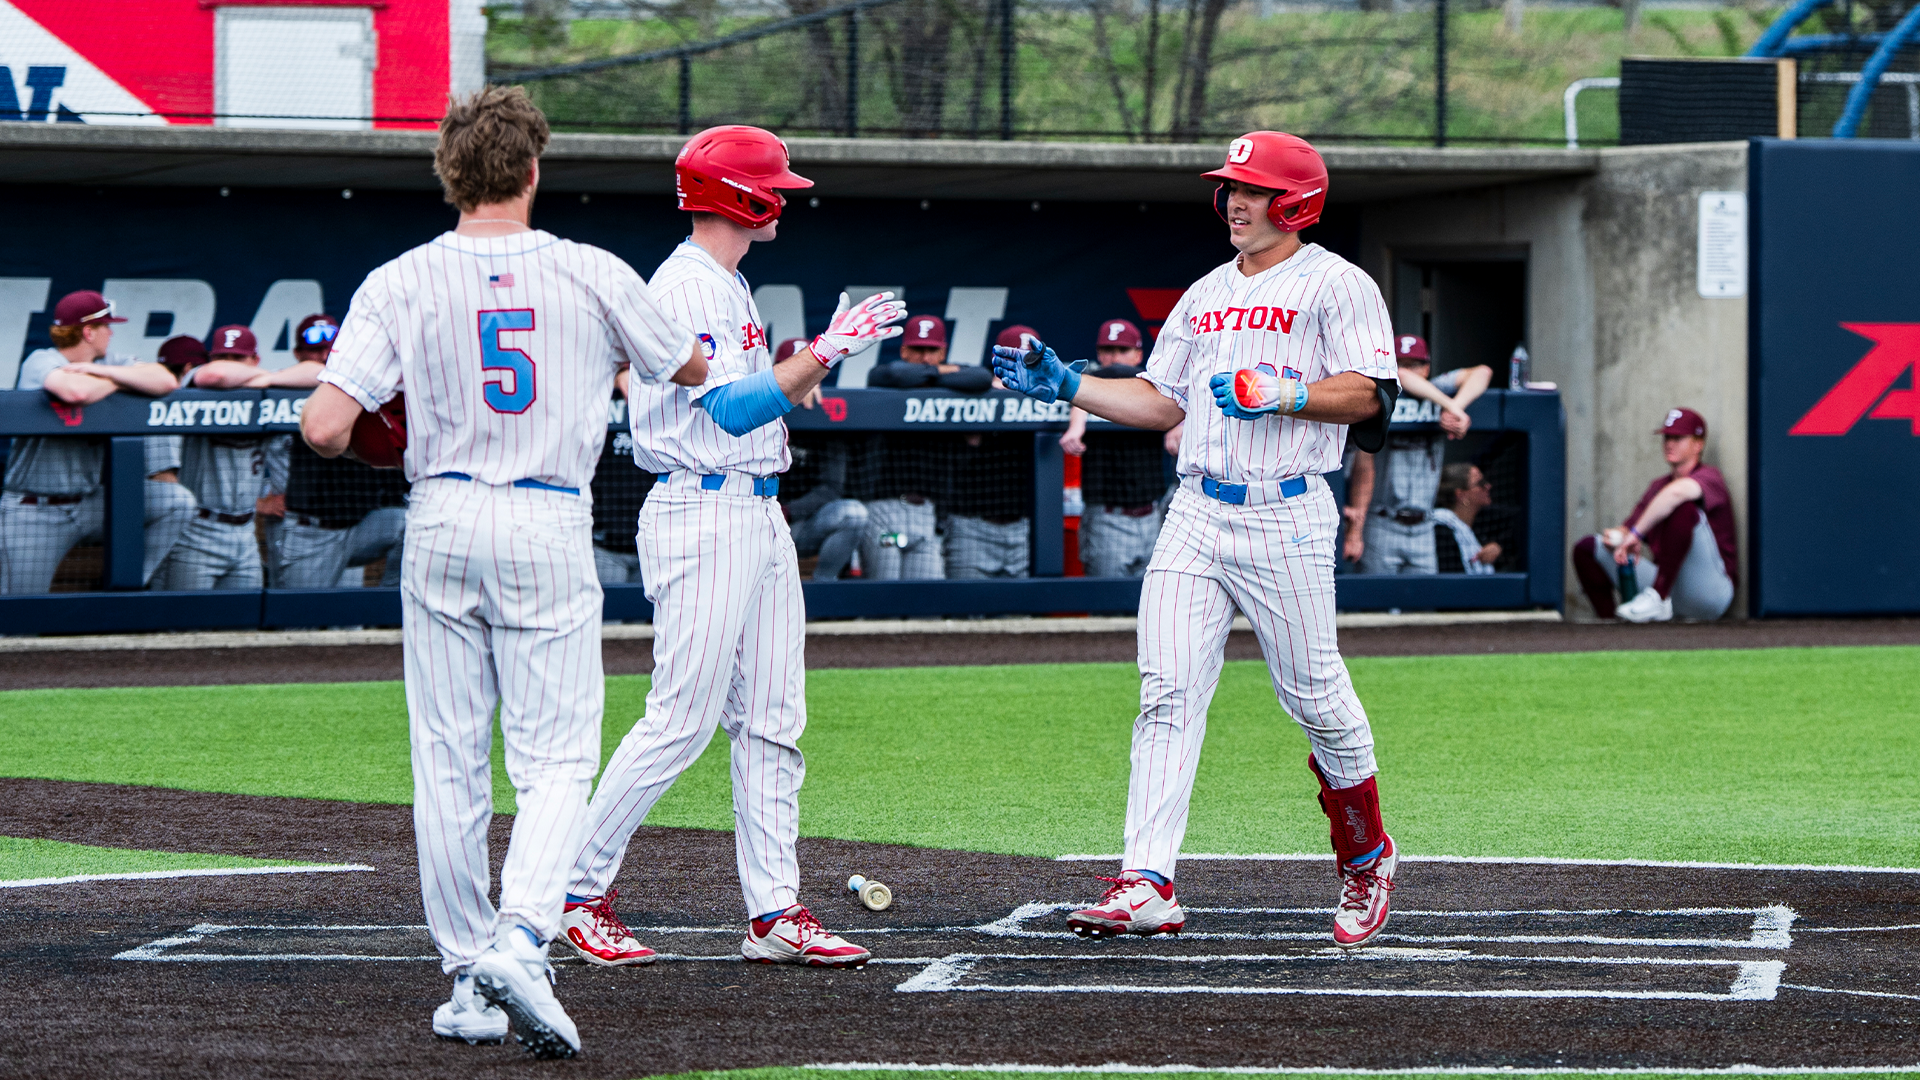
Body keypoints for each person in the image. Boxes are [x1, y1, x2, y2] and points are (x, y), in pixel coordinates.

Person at [299, 86, 708, 1058]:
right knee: (555, 756)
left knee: (447, 759)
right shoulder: (589, 269)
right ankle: (522, 938)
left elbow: (323, 427)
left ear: (450, 173)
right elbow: (688, 368)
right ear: (531, 170)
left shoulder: (400, 278)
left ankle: (468, 978)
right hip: (544, 514)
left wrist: (392, 415)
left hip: (440, 514)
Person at [990, 130, 1404, 948]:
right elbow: (1159, 401)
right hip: (1196, 512)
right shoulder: (1207, 289)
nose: (1235, 201)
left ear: (1295, 204)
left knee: (1316, 698)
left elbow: (1372, 395)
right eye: (1232, 188)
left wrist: (1285, 392)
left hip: (1286, 510)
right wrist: (1068, 384)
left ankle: (1366, 855)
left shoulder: (1337, 282)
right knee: (1166, 693)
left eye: (1253, 190)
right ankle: (1146, 882)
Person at [556, 124, 904, 974]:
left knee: (773, 722)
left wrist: (806, 370)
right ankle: (571, 891)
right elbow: (729, 410)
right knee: (680, 718)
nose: (784, 198)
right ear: (739, 197)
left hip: (755, 510)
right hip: (701, 509)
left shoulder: (727, 281)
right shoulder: (685, 287)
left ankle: (774, 911)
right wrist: (823, 353)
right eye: (773, 187)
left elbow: (753, 401)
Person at [0, 291, 182, 593]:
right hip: (35, 508)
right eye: (106, 326)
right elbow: (76, 392)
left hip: (90, 503)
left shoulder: (109, 362)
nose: (111, 332)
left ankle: (126, 589)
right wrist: (120, 381)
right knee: (20, 612)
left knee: (175, 503)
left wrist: (102, 372)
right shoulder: (41, 360)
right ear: (88, 332)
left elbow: (166, 381)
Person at [273, 316, 411, 589]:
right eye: (315, 350)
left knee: (410, 521)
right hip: (311, 532)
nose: (324, 356)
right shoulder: (286, 387)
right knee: (301, 616)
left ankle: (390, 601)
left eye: (331, 348)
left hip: (360, 527)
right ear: (298, 354)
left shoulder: (369, 384)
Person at [1342, 334, 1491, 573]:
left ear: (1427, 368)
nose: (1407, 369)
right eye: (1400, 363)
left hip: (1424, 526)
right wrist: (1449, 406)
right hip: (1382, 522)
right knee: (1377, 595)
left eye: (1415, 364)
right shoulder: (1382, 394)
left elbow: (1483, 372)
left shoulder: (1436, 390)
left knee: (1423, 596)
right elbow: (1402, 376)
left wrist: (1457, 408)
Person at [1572, 407, 1736, 623]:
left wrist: (1635, 534)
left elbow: (1677, 494)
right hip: (1671, 589)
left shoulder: (1710, 476)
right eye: (1667, 437)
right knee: (1588, 547)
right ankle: (1612, 624)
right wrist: (1619, 537)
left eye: (1678, 438)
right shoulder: (1658, 486)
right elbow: (1630, 529)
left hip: (1708, 591)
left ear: (1698, 444)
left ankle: (1658, 597)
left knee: (1682, 507)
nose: (1669, 443)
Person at [158, 325, 291, 591]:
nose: (229, 364)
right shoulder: (196, 385)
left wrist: (271, 379)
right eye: (222, 356)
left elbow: (317, 375)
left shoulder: (267, 392)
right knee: (186, 617)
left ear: (255, 360)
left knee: (245, 616)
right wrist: (268, 378)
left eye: (238, 358)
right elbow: (217, 374)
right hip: (198, 532)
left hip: (246, 534)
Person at [1060, 319, 1169, 577]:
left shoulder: (1156, 389)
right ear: (1099, 354)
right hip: (1107, 518)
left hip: (1152, 516)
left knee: (1153, 599)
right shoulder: (1087, 388)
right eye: (1108, 350)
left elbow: (1179, 404)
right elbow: (1081, 390)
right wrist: (1076, 425)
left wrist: (1177, 427)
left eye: (1123, 350)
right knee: (1107, 598)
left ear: (1138, 355)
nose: (1115, 358)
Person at [940, 324, 1038, 579]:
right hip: (972, 524)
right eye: (1013, 358)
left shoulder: (1047, 393)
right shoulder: (976, 385)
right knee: (967, 601)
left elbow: (1080, 387)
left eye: (1027, 360)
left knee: (1026, 602)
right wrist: (991, 394)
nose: (1020, 366)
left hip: (1024, 526)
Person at [774, 338, 870, 581]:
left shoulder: (826, 418)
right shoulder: (752, 405)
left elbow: (830, 488)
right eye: (793, 370)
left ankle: (824, 585)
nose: (800, 379)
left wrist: (788, 511)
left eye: (808, 373)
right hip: (754, 521)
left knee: (853, 514)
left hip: (799, 523)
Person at [866, 314, 994, 392]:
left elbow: (982, 377)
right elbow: (898, 374)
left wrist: (923, 378)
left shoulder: (957, 371)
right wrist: (938, 371)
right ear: (904, 351)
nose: (925, 358)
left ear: (943, 353)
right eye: (918, 350)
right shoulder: (885, 373)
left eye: (932, 350)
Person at [1432, 462, 1500, 574]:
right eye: (1480, 483)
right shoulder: (1441, 528)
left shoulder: (1475, 526)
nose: (1488, 486)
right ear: (1461, 494)